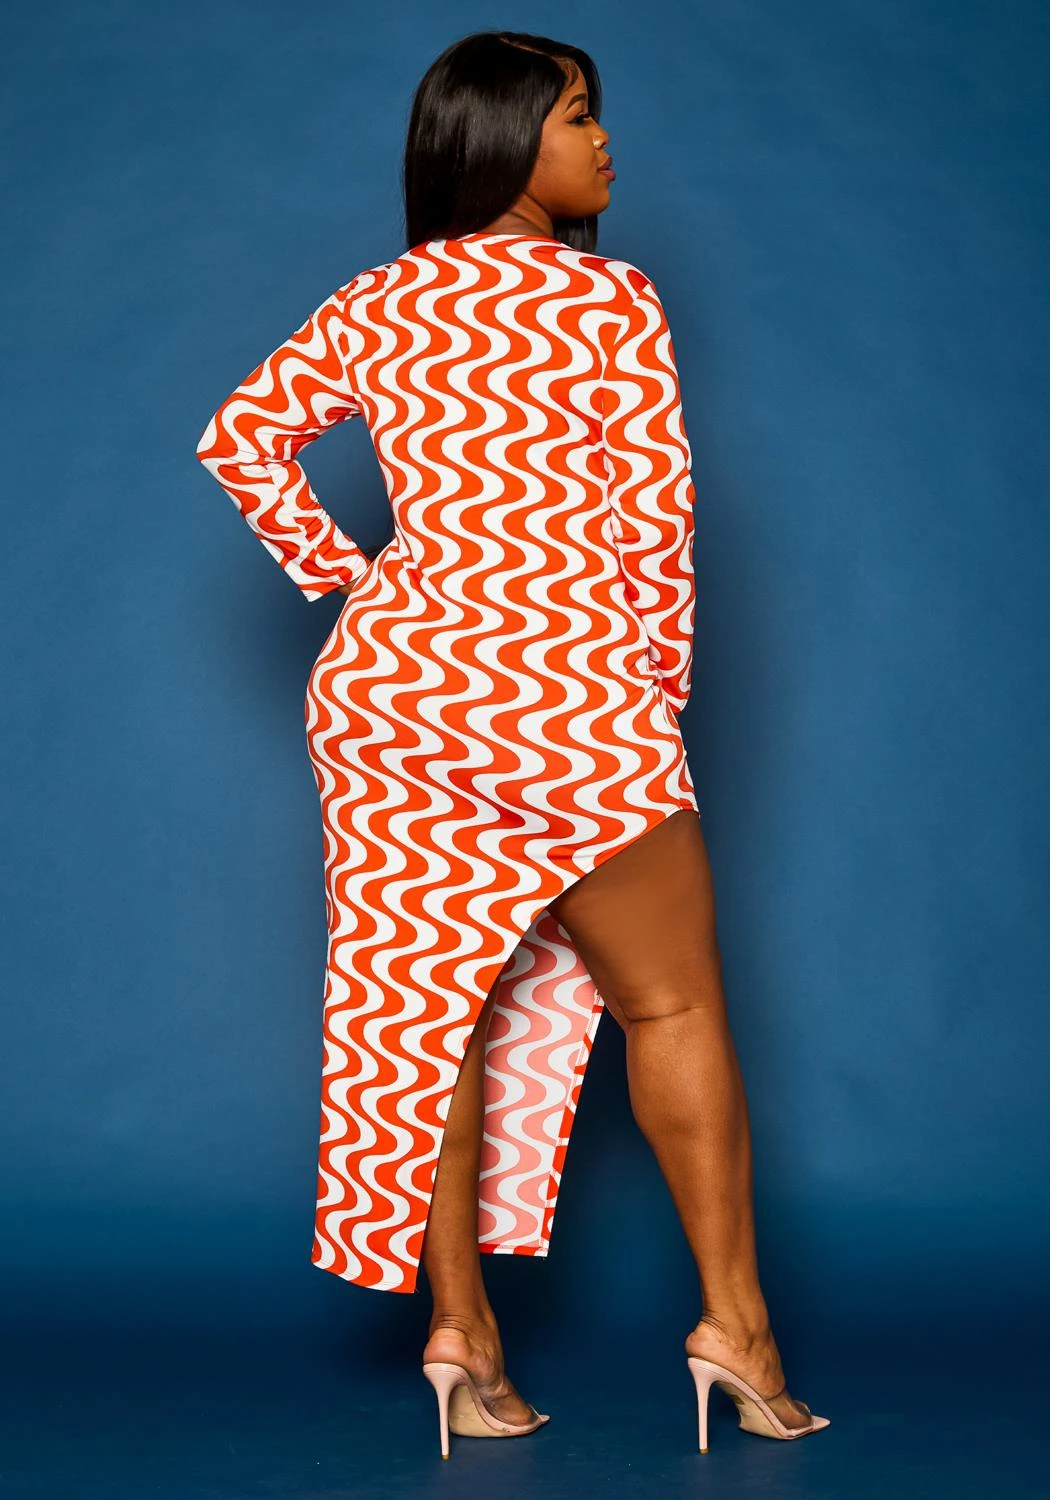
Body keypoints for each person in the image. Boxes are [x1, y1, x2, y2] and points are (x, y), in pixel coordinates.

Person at [195, 28, 830, 1461]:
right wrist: (648, 704)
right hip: (567, 688)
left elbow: (242, 437)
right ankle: (736, 1332)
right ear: (502, 137)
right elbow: (652, 522)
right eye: (579, 114)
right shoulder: (609, 299)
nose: (604, 142)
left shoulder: (378, 300)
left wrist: (355, 581)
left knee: (431, 1017)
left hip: (392, 695)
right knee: (670, 1007)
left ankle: (461, 1339)